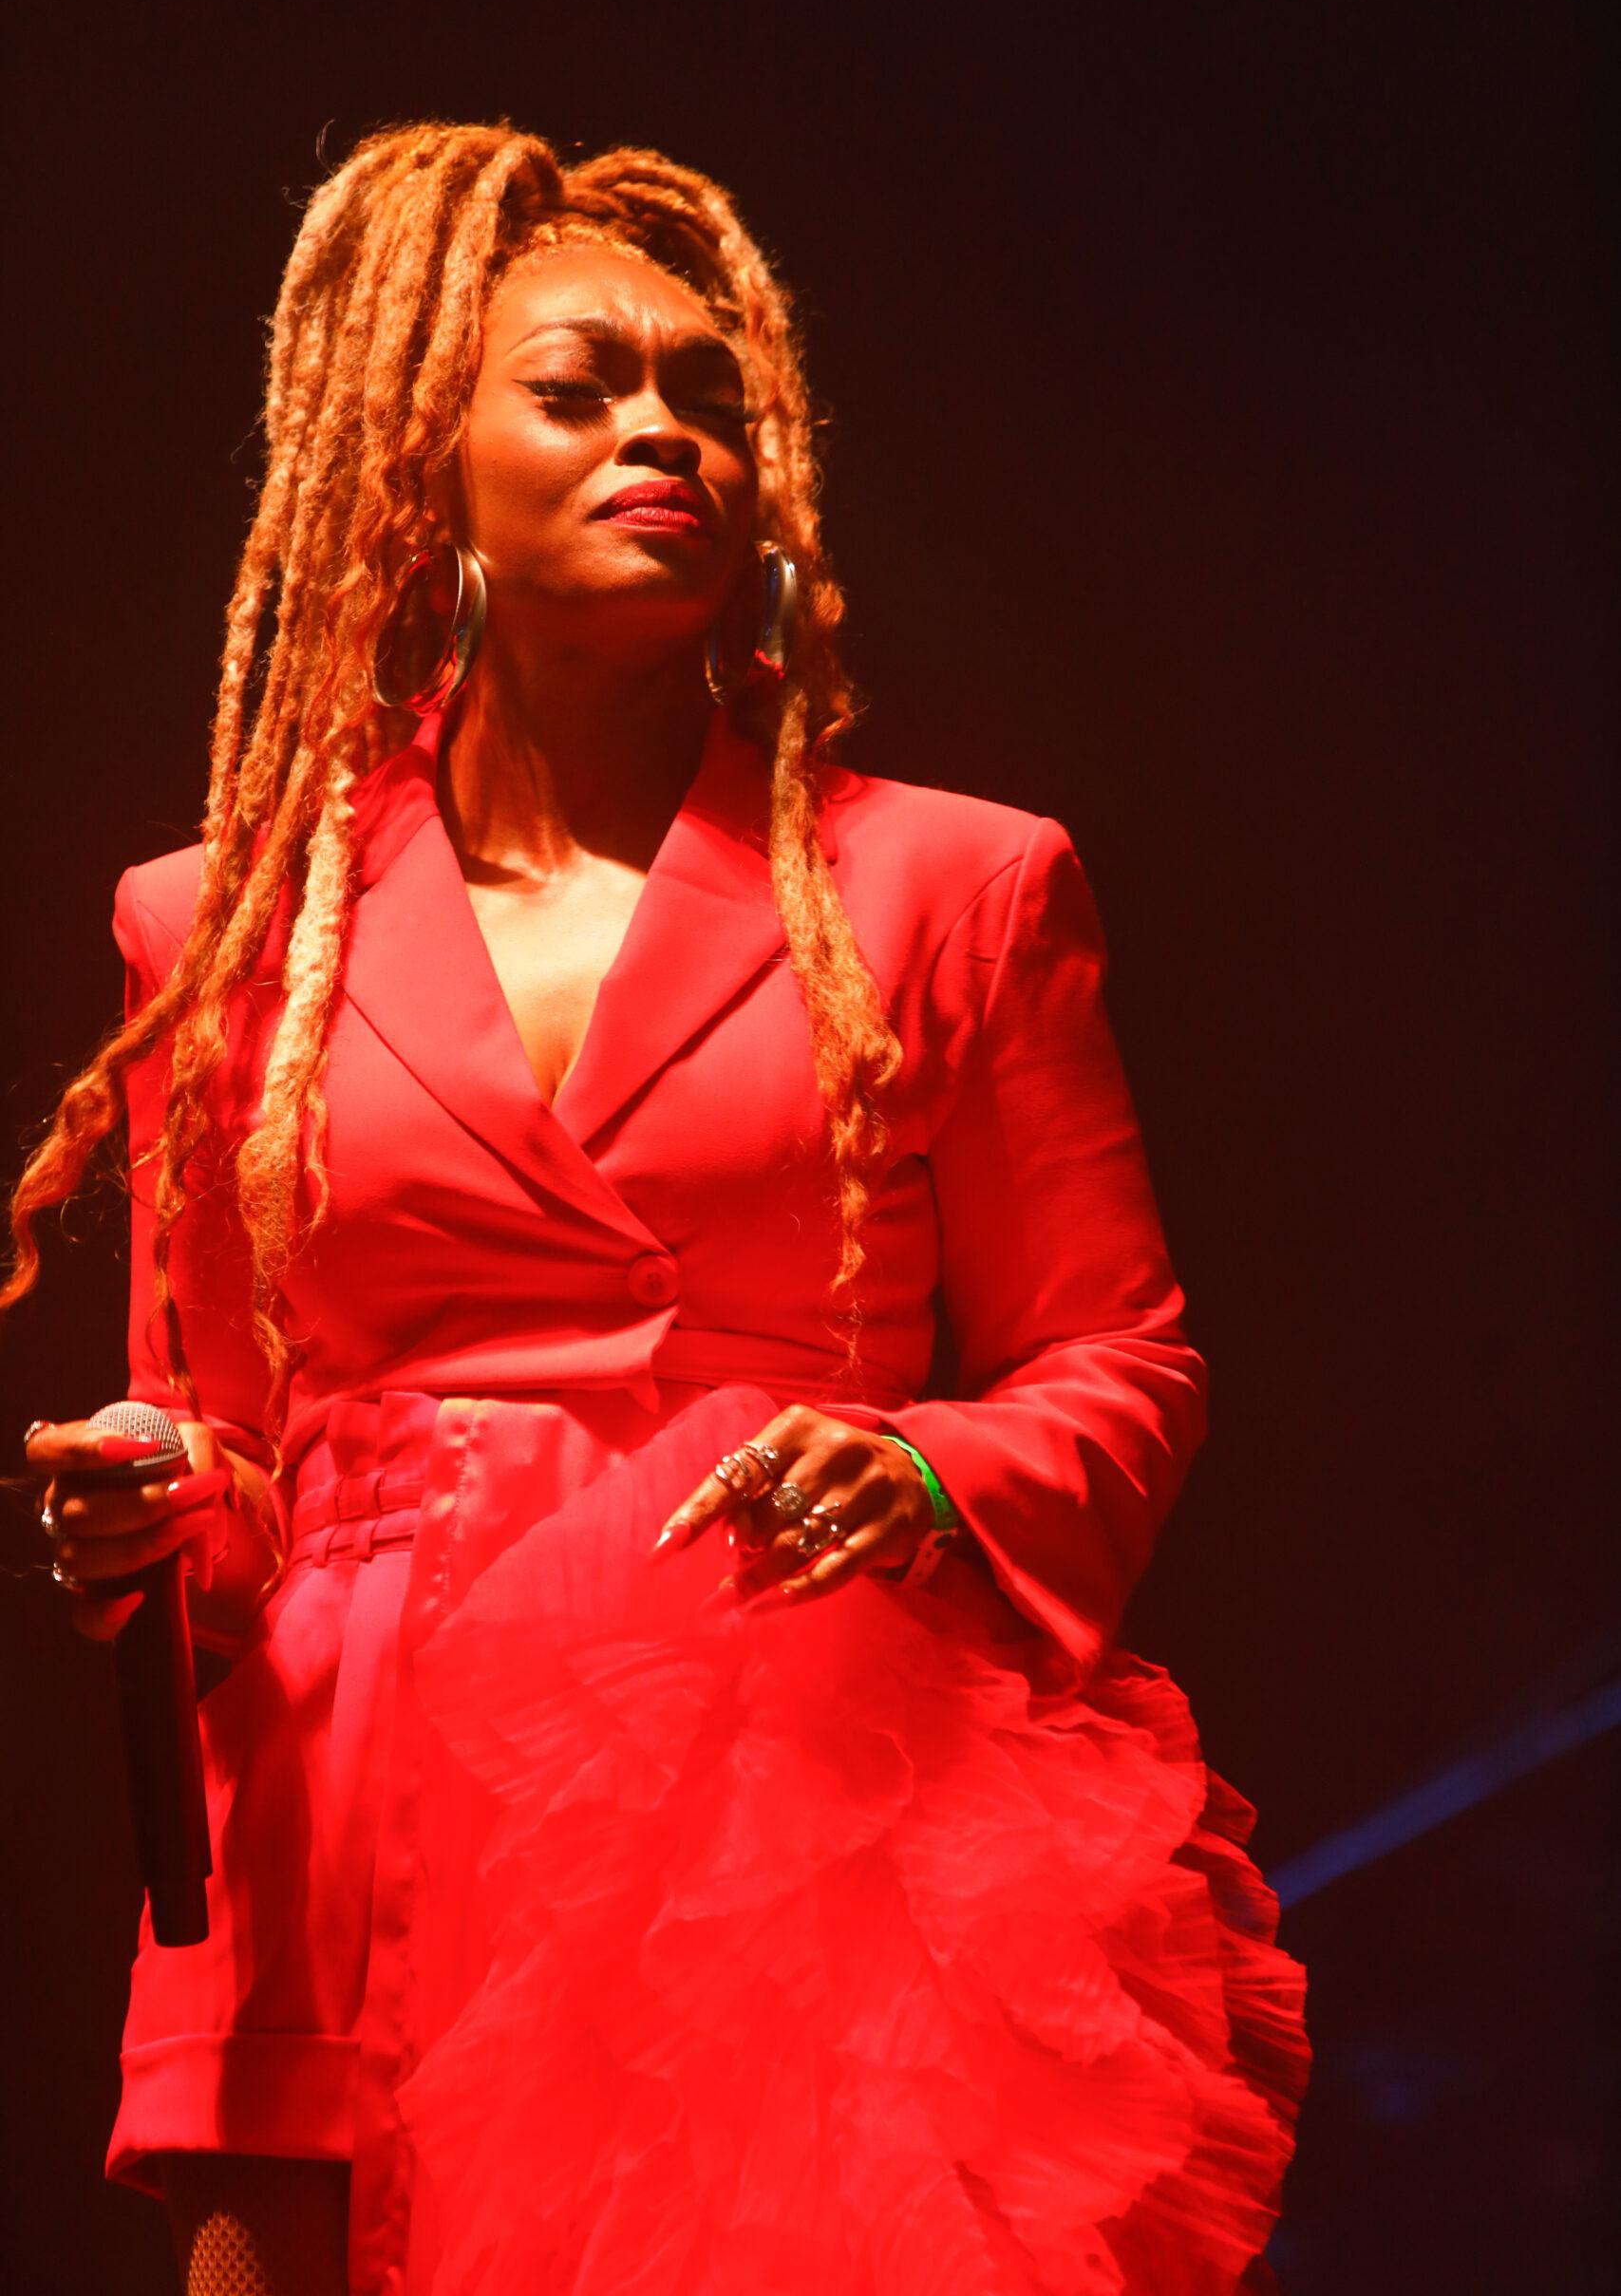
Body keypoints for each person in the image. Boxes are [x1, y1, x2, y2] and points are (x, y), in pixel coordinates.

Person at [6, 120, 1309, 2295]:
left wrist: (928, 1462)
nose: (663, 434)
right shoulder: (224, 922)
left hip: (772, 1816)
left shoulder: (948, 884)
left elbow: (1116, 1355)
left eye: (708, 396)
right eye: (580, 387)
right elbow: (221, 1445)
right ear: (421, 467)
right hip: (345, 1813)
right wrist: (143, 1504)